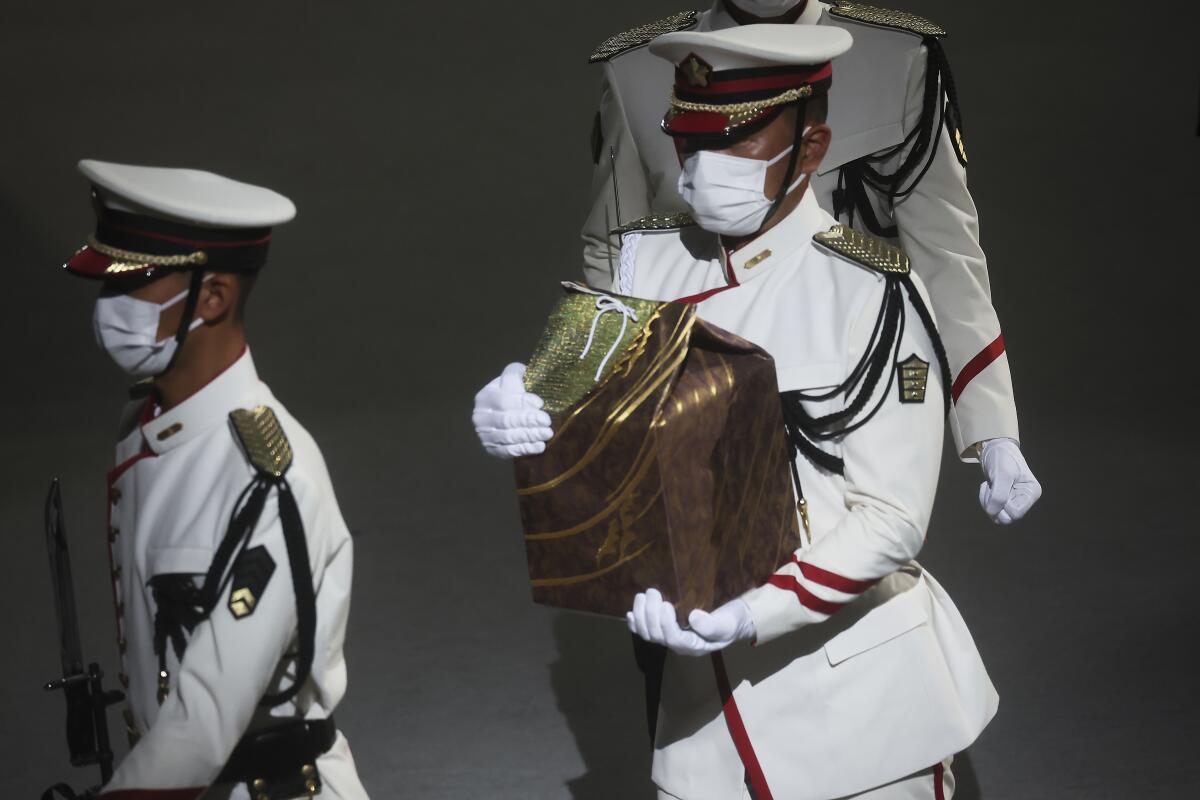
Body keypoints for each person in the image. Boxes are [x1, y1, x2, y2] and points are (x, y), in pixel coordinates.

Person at [473, 25, 996, 799]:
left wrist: (755, 612)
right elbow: (562, 383)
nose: (700, 169)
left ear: (812, 148)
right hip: (705, 724)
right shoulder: (645, 257)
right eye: (688, 143)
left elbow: (891, 516)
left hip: (861, 713)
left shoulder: (873, 291)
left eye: (734, 145)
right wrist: (512, 396)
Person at [581, 0, 1041, 525]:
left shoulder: (899, 58)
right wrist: (591, 404)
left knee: (856, 551)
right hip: (699, 396)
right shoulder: (637, 69)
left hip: (846, 386)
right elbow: (614, 257)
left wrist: (991, 427)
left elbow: (946, 255)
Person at [63, 160, 368, 799]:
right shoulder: (147, 427)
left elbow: (205, 717)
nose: (109, 305)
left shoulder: (269, 479)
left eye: (135, 283)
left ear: (213, 296)